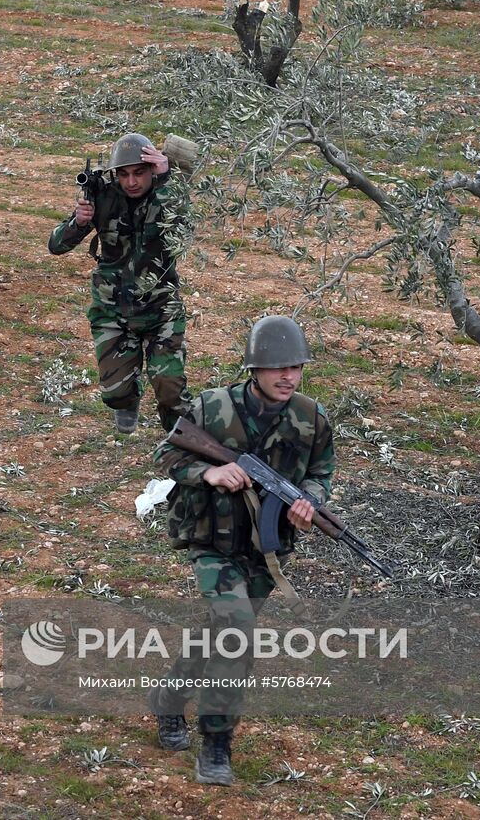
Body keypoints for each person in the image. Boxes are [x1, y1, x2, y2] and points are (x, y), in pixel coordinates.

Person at [149, 315, 335, 786]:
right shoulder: (213, 409)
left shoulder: (311, 418)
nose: (288, 376)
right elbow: (168, 455)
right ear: (254, 369)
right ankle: (216, 745)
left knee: (219, 633)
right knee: (237, 630)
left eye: (295, 367)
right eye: (277, 368)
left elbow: (320, 473)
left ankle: (169, 699)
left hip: (264, 553)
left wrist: (308, 501)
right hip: (212, 542)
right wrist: (207, 474)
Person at [47, 133, 192, 433]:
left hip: (161, 307)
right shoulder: (102, 195)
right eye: (123, 174)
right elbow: (56, 245)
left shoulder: (167, 193)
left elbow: (182, 227)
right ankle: (127, 400)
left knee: (169, 388)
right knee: (115, 394)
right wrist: (79, 222)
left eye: (139, 173)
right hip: (113, 309)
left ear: (152, 170)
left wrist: (166, 181)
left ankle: (184, 443)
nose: (131, 182)